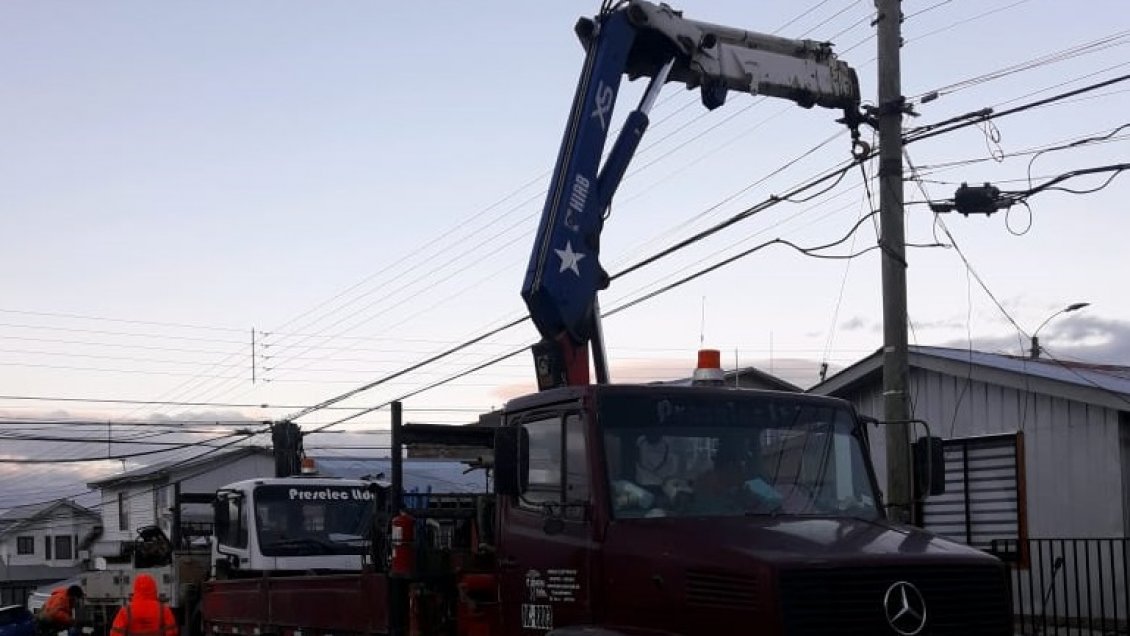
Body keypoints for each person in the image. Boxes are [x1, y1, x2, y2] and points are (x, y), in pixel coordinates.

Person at [109, 574, 177, 636]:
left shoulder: (126, 611)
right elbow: (172, 632)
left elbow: (115, 633)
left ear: (135, 589)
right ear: (154, 588)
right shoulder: (164, 610)